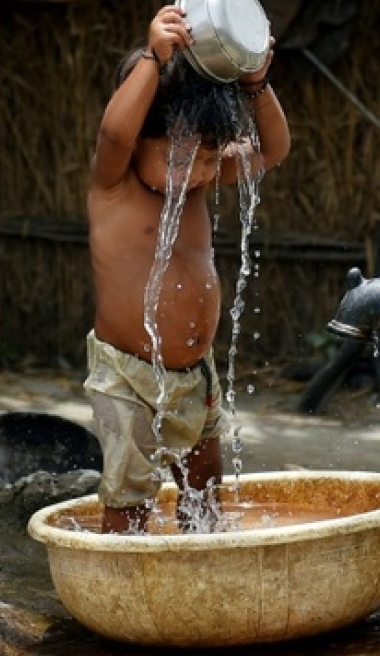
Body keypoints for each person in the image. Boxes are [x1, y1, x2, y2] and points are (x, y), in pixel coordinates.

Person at [84, 4, 291, 534]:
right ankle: (118, 594)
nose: (197, 172)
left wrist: (256, 85)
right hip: (129, 376)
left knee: (205, 487)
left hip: (196, 375)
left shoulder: (201, 180)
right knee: (128, 500)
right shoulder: (115, 184)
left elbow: (273, 148)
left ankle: (199, 581)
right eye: (180, 156)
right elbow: (114, 134)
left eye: (208, 156)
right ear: (141, 147)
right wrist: (154, 59)